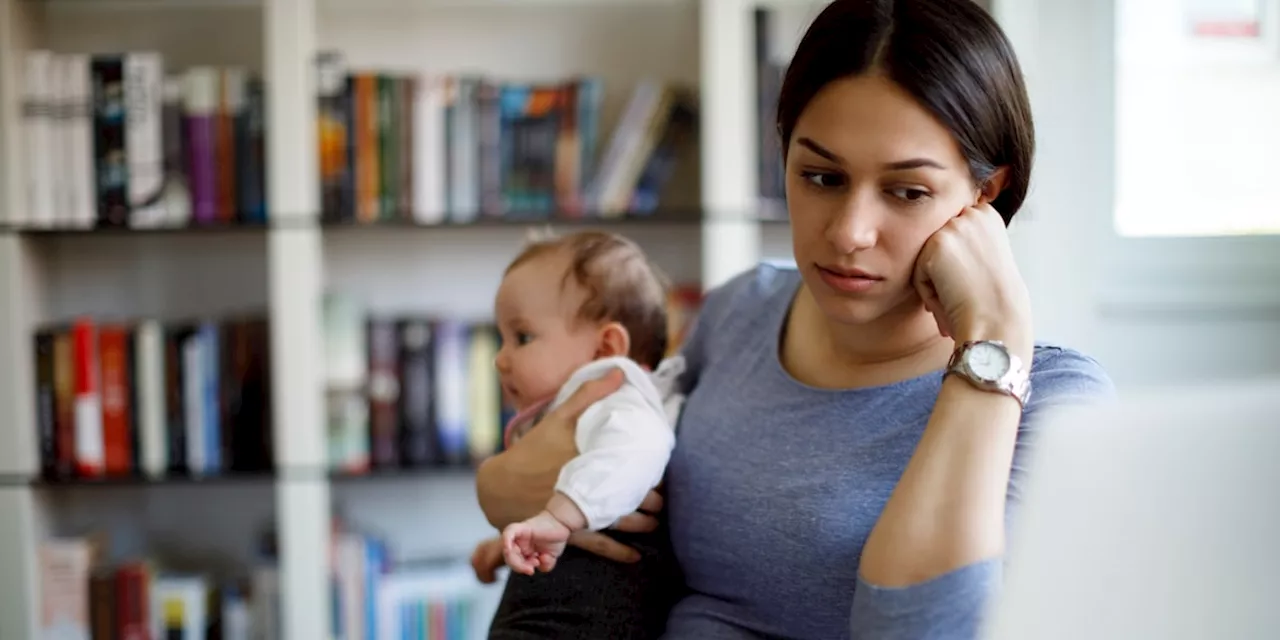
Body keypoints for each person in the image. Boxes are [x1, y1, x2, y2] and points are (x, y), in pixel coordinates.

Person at [475, 0, 1117, 638]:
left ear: (987, 194)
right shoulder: (740, 311)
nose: (849, 233)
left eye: (906, 191)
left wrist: (993, 344)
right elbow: (520, 481)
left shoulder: (1058, 404)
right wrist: (512, 492)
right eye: (820, 176)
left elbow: (919, 631)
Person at [471, 229, 689, 638]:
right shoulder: (580, 408)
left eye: (522, 337)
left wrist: (556, 518)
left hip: (589, 614)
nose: (501, 359)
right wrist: (512, 542)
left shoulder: (618, 396)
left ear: (606, 348)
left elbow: (638, 449)